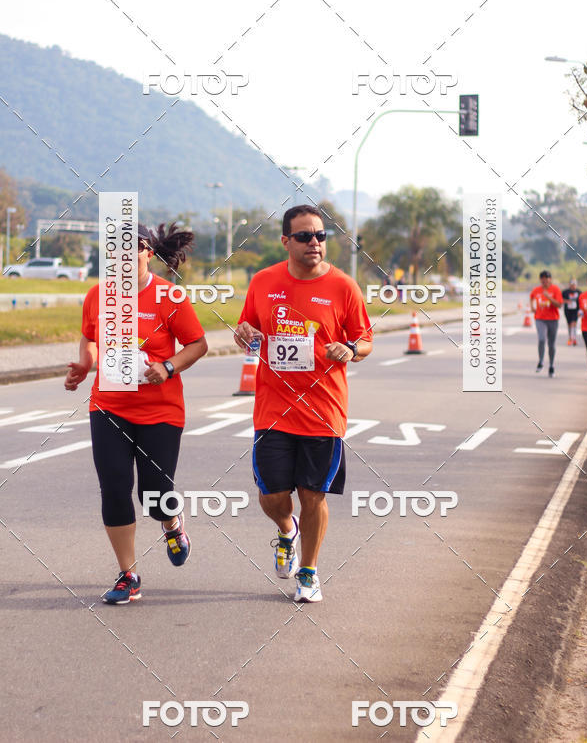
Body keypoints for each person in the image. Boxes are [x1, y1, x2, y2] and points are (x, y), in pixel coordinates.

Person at [234, 205, 373, 603]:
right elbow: (248, 331)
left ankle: (309, 573)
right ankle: (286, 530)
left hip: (323, 411)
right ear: (286, 241)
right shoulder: (263, 282)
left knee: (313, 494)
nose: (314, 243)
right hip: (273, 409)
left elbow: (365, 341)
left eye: (320, 236)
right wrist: (244, 335)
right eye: (305, 236)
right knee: (272, 495)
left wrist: (349, 348)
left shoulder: (344, 287)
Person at [64, 223, 207, 603]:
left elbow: (197, 343)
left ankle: (173, 525)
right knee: (114, 487)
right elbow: (91, 335)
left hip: (160, 409)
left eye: (133, 249)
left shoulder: (169, 296)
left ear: (148, 252)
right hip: (109, 406)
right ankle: (128, 574)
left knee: (154, 493)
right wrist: (85, 363)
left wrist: (169, 367)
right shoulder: (98, 295)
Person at [530, 270, 563, 377]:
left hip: (553, 319)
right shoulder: (536, 290)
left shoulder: (555, 289)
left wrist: (549, 297)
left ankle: (552, 365)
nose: (545, 280)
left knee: (551, 344)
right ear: (540, 280)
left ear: (550, 279)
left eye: (547, 278)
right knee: (541, 339)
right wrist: (532, 306)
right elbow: (531, 297)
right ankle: (541, 361)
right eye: (543, 278)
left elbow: (559, 305)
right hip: (540, 318)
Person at [561, 278, 581, 345]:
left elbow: (582, 300)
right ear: (569, 285)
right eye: (572, 284)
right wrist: (566, 301)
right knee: (569, 324)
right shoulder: (565, 292)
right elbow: (560, 299)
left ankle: (574, 338)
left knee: (574, 323)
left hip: (575, 310)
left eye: (574, 284)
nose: (573, 286)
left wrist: (581, 310)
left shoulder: (579, 292)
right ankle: (570, 338)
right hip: (567, 310)